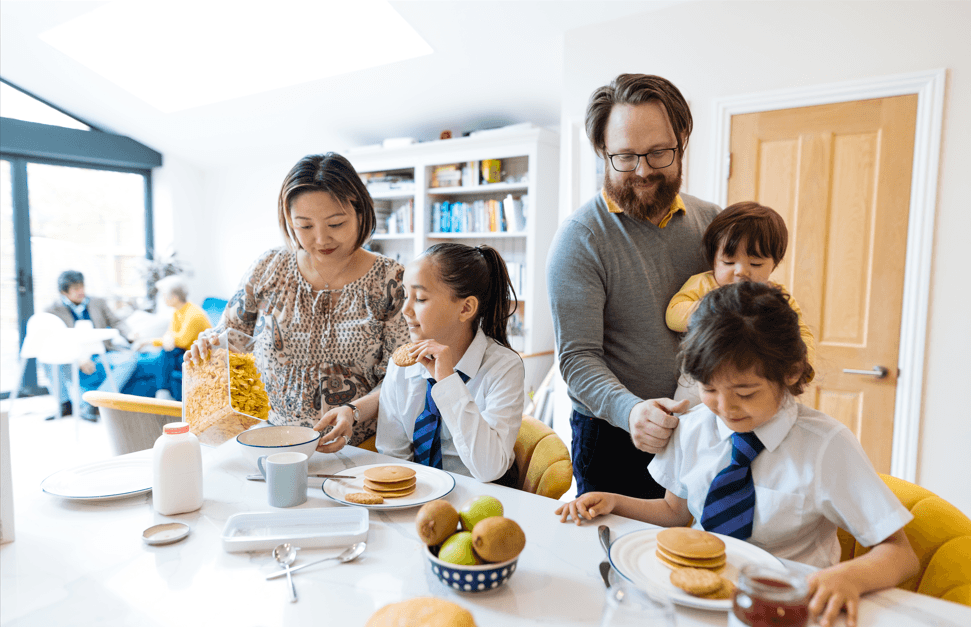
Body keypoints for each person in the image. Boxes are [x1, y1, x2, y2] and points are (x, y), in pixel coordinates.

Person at [555, 281, 918, 627]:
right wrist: (613, 502)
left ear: (790, 373)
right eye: (709, 388)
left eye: (745, 392)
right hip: (694, 603)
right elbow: (674, 513)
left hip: (782, 611)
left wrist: (849, 577)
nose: (726, 408)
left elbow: (900, 553)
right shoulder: (695, 427)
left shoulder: (826, 446)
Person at [547, 73, 720, 498]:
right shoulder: (580, 238)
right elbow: (578, 359)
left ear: (682, 141)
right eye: (624, 156)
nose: (642, 171)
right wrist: (632, 412)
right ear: (602, 152)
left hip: (707, 428)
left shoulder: (713, 223)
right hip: (615, 437)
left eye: (658, 152)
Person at [186, 153, 409, 450]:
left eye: (336, 223)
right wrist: (209, 344)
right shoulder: (269, 267)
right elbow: (229, 339)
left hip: (358, 446)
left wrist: (354, 412)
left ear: (360, 211)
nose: (321, 239)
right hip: (268, 440)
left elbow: (402, 376)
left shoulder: (391, 280)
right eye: (305, 226)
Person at [376, 243, 525, 482]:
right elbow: (393, 455)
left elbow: (490, 469)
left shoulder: (503, 367)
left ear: (466, 308)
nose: (405, 309)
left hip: (481, 500)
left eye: (421, 298)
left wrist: (447, 382)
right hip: (418, 495)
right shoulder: (401, 366)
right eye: (405, 295)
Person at [666, 201, 816, 402]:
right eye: (728, 262)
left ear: (774, 264)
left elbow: (801, 331)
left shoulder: (774, 296)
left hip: (757, 383)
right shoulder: (705, 284)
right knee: (688, 421)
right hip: (702, 381)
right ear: (713, 259)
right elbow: (673, 313)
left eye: (755, 264)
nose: (741, 271)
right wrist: (715, 308)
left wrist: (801, 364)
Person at [44, 270, 132, 422]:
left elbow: (116, 321)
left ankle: (96, 403)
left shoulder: (98, 302)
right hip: (73, 356)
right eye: (76, 289)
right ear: (64, 292)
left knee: (129, 359)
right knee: (46, 360)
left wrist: (129, 334)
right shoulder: (52, 310)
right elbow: (55, 341)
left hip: (101, 352)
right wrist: (79, 358)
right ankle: (65, 404)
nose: (81, 292)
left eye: (82, 287)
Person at [128, 274, 211, 400]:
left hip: (200, 357)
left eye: (164, 295)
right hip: (186, 352)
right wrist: (166, 339)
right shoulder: (178, 311)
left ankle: (163, 392)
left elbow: (182, 341)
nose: (162, 298)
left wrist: (149, 341)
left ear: (175, 297)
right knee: (168, 352)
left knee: (167, 353)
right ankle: (163, 392)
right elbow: (170, 334)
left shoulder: (194, 314)